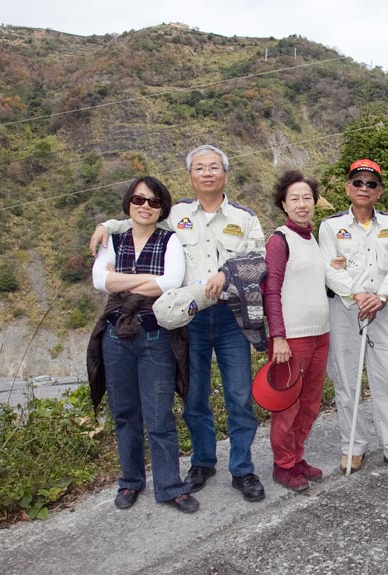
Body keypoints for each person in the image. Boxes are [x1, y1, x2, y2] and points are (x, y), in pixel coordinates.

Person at [89, 145, 266, 502]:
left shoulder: (245, 218)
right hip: (189, 317)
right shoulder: (177, 214)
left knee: (239, 395)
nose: (207, 173)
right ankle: (202, 462)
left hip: (231, 316)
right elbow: (142, 217)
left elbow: (259, 260)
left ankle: (242, 469)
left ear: (225, 173)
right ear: (190, 175)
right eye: (199, 167)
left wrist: (227, 272)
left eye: (214, 167)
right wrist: (106, 226)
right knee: (194, 395)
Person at [90, 176, 198, 513]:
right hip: (116, 338)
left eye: (153, 201)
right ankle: (130, 481)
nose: (145, 206)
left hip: (155, 336)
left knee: (159, 415)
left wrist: (120, 281)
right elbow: (99, 280)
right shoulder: (113, 239)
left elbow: (171, 281)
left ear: (161, 207)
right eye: (138, 200)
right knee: (124, 413)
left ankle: (170, 486)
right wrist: (147, 280)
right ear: (129, 203)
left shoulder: (170, 240)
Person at [318, 159, 388, 475]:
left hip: (382, 309)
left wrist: (382, 297)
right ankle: (353, 446)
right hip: (345, 309)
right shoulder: (331, 226)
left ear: (379, 191)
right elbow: (328, 269)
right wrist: (358, 295)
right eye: (358, 182)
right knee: (347, 381)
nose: (364, 188)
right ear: (348, 187)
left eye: (371, 184)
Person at [262, 171, 330, 491]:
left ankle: (297, 455)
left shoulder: (312, 238)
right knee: (287, 404)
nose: (302, 204)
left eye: (307, 198)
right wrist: (278, 336)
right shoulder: (280, 240)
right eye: (295, 199)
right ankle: (283, 464)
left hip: (321, 333)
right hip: (292, 337)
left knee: (310, 403)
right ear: (283, 204)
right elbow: (271, 290)